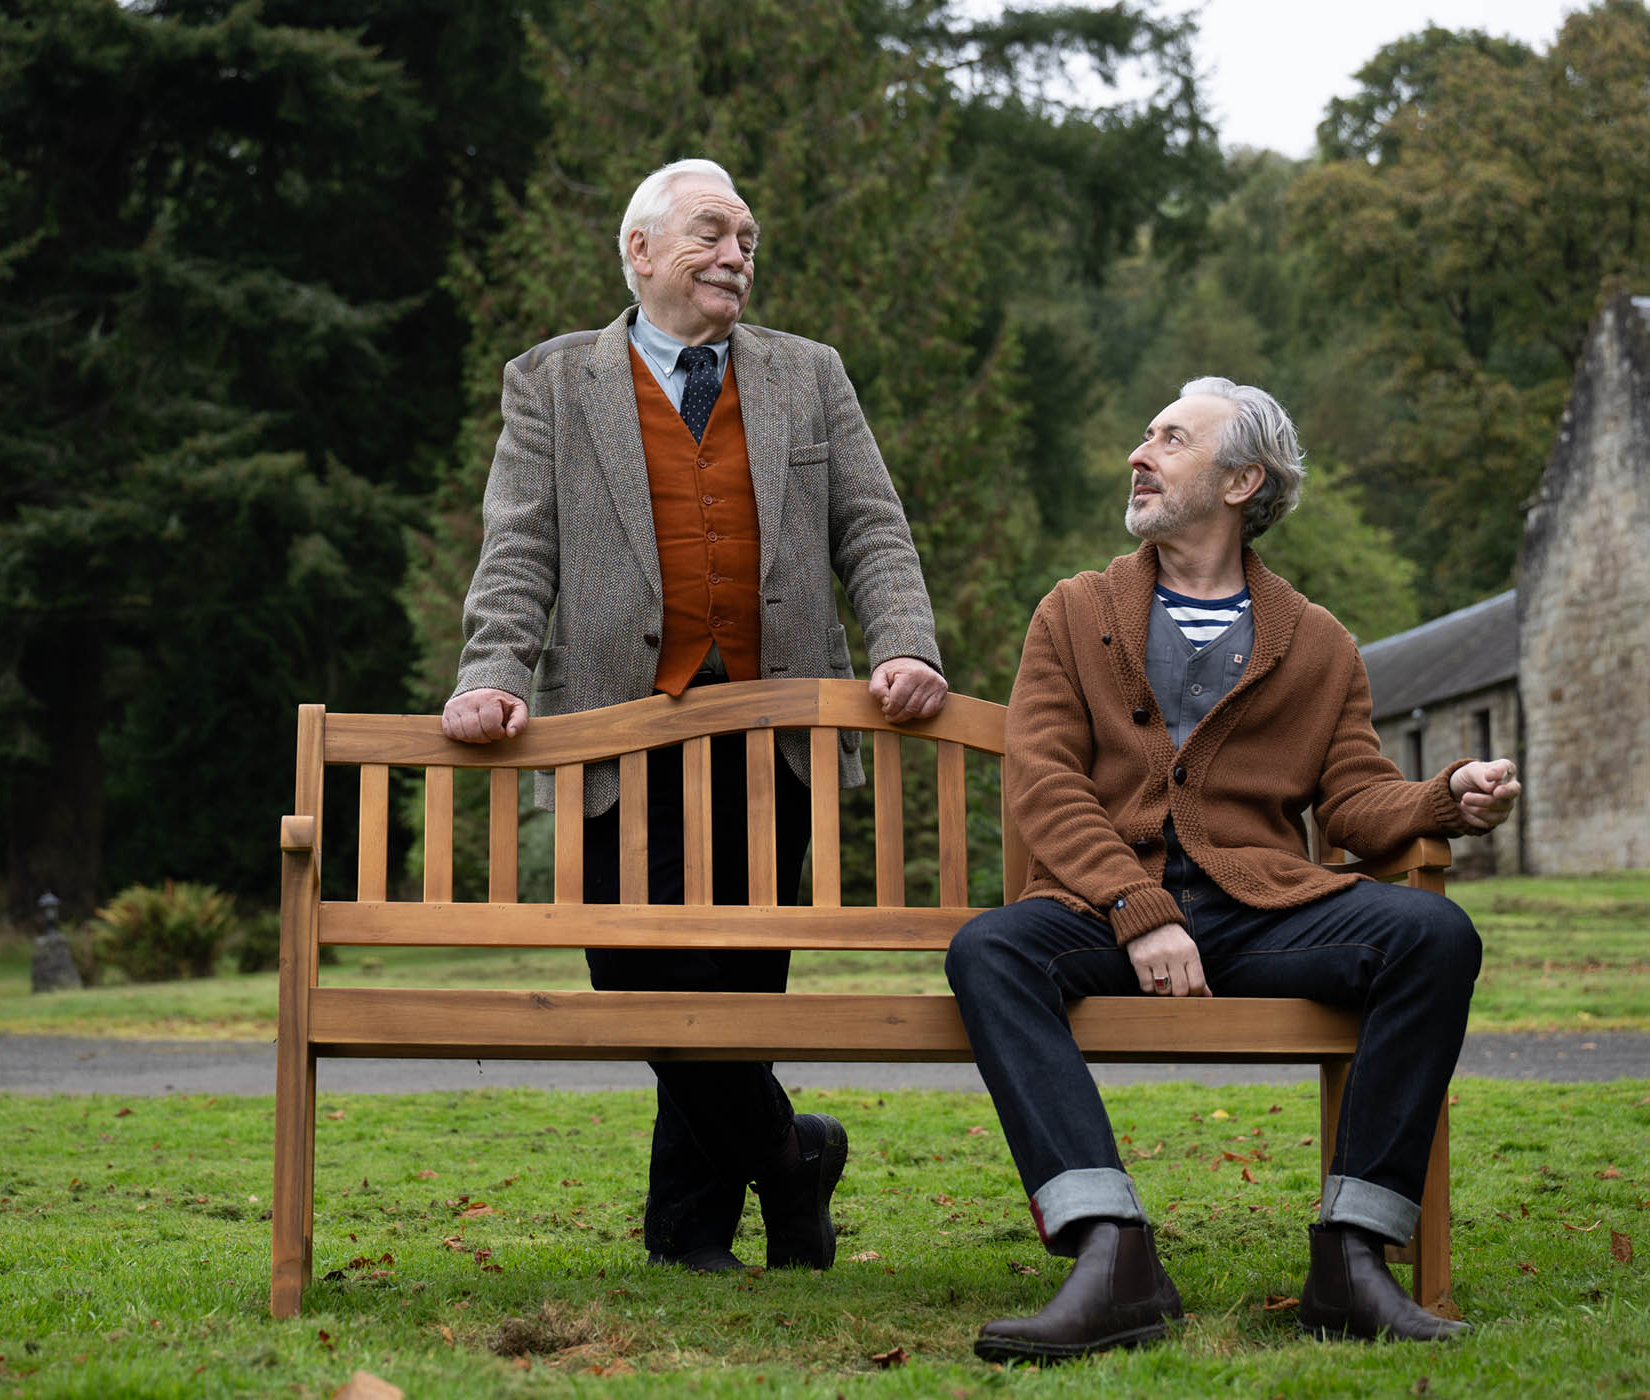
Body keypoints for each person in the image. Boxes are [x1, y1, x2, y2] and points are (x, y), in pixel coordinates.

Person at [944, 377, 1520, 1361]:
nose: (1141, 450)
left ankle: (1353, 1256)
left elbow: (1351, 796)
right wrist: (1137, 904)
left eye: (1171, 438)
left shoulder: (1320, 641)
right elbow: (1042, 781)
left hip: (1261, 912)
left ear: (1242, 478)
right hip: (1102, 908)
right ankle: (1111, 1253)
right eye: (1147, 432)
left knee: (1434, 934)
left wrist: (1440, 798)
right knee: (991, 949)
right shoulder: (1074, 612)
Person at [443, 158, 947, 1274]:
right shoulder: (553, 381)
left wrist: (905, 644)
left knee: (736, 985)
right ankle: (793, 1151)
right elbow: (519, 545)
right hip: (617, 738)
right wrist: (495, 668)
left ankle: (689, 1237)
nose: (737, 257)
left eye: (750, 241)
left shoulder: (809, 374)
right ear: (639, 250)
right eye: (713, 234)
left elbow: (872, 526)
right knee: (633, 980)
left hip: (776, 739)